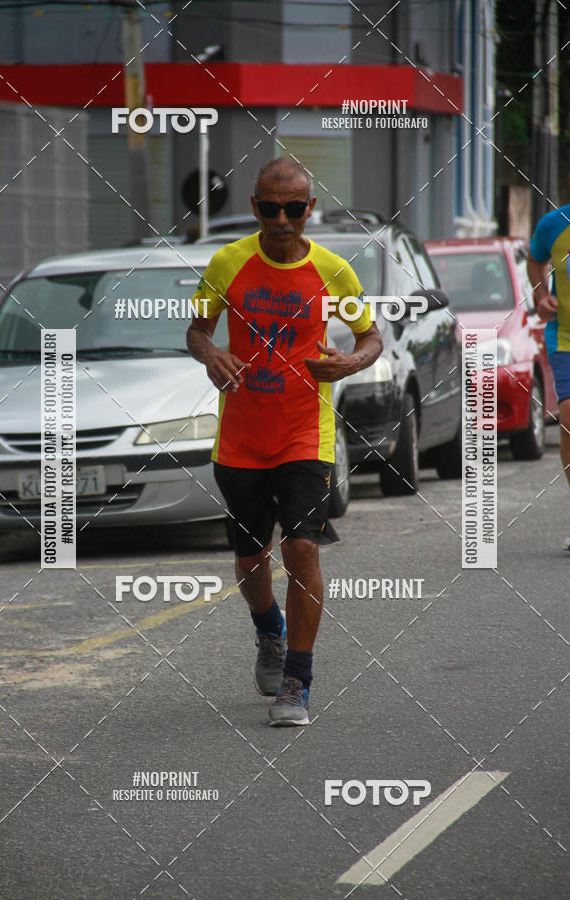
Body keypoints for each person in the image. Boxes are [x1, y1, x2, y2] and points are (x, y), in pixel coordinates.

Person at [187, 158, 383, 725]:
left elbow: (371, 336)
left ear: (309, 210)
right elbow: (198, 329)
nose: (281, 219)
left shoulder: (332, 270)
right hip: (242, 437)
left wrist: (350, 361)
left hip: (306, 432)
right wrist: (211, 353)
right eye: (270, 208)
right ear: (254, 208)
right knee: (251, 559)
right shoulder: (228, 262)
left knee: (301, 548)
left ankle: (297, 678)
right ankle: (268, 629)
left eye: (293, 209)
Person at [528, 204, 570, 551]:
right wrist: (541, 296)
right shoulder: (554, 224)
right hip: (566, 338)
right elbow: (535, 260)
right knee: (568, 418)